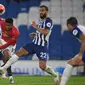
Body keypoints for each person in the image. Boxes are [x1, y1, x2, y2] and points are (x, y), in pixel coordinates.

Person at [0, 5, 59, 84]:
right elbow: (42, 33)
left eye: (43, 11)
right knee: (18, 53)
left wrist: (36, 27)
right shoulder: (40, 21)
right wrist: (36, 34)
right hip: (34, 44)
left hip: (42, 47)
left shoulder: (48, 21)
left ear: (46, 12)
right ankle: (4, 68)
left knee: (42, 66)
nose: (41, 12)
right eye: (40, 11)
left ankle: (55, 74)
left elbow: (46, 32)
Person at [59, 17, 85, 85]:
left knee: (70, 64)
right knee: (70, 63)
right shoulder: (80, 28)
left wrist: (80, 55)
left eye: (68, 26)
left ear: (70, 25)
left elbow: (84, 40)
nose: (68, 29)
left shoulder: (75, 30)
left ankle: (62, 83)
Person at [0, 18, 20, 83]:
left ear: (12, 25)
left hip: (11, 44)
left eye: (8, 25)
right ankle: (8, 75)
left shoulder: (16, 32)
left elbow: (8, 44)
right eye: (6, 25)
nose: (7, 27)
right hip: (2, 41)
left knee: (8, 59)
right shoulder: (2, 23)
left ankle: (7, 74)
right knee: (6, 53)